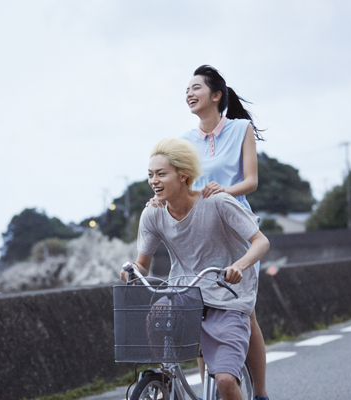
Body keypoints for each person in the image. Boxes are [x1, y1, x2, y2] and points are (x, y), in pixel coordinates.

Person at [150, 65, 269, 400]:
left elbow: (251, 181)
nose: (189, 94)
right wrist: (161, 195)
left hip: (235, 229)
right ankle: (209, 392)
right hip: (199, 233)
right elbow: (179, 182)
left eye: (196, 88)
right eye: (186, 89)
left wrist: (221, 193)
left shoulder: (240, 129)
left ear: (217, 95)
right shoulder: (184, 142)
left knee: (245, 312)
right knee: (198, 309)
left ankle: (260, 393)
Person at [122, 138, 270, 400]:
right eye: (150, 175)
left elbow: (261, 241)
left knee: (225, 380)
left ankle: (254, 390)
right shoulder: (153, 214)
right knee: (156, 311)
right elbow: (142, 264)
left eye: (161, 174)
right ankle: (164, 374)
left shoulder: (217, 202)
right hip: (185, 294)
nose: (154, 181)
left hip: (227, 295)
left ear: (183, 175)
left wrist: (238, 266)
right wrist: (132, 272)